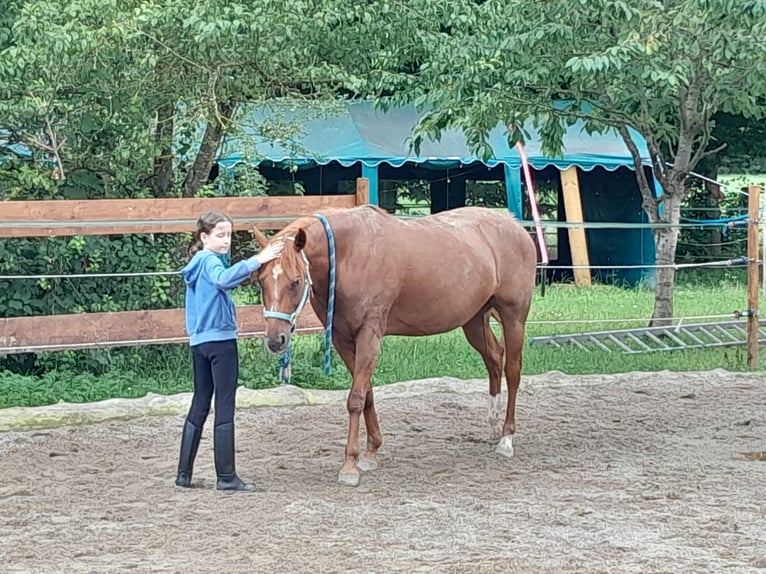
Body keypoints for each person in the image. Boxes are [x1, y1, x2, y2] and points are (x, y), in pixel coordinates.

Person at [175, 210, 283, 492]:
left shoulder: (197, 263)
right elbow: (223, 279)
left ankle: (183, 474)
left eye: (229, 235)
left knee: (200, 402)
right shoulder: (210, 262)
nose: (226, 241)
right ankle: (226, 476)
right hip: (221, 342)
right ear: (204, 237)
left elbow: (226, 282)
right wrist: (259, 259)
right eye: (220, 235)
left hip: (199, 342)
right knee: (225, 405)